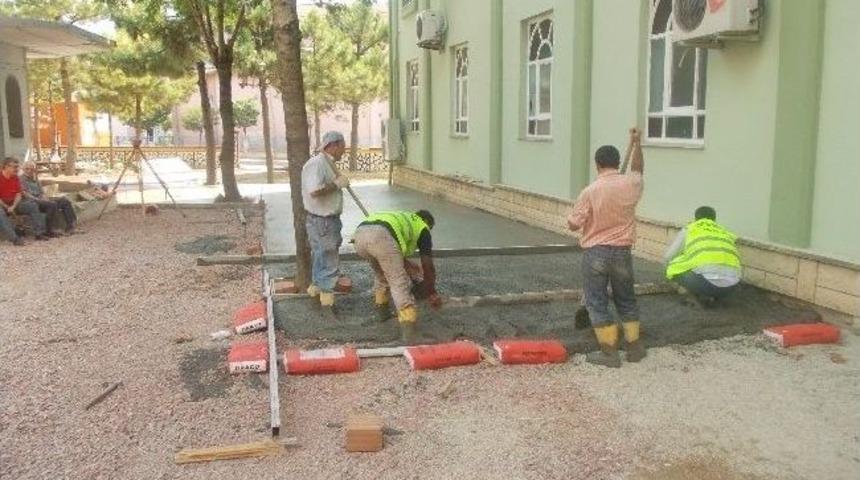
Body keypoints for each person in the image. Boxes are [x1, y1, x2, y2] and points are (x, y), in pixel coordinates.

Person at [568, 128, 645, 368]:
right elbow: (638, 169)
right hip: (622, 253)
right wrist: (637, 143)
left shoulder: (590, 191)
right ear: (616, 162)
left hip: (596, 254)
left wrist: (570, 216)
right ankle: (634, 348)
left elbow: (574, 224)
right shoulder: (631, 184)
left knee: (597, 302)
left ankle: (609, 353)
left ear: (597, 164)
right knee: (627, 300)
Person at [353, 210, 442, 343]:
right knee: (398, 282)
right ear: (427, 223)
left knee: (382, 276)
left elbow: (391, 250)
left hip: (359, 236)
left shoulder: (405, 218)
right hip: (381, 237)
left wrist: (407, 264)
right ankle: (410, 332)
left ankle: (382, 314)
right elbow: (427, 265)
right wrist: (431, 291)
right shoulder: (422, 227)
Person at [301, 131, 350, 309]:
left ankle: (315, 291)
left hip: (324, 220)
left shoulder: (326, 163)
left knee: (321, 255)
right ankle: (327, 302)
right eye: (343, 147)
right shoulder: (318, 163)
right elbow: (314, 191)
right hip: (323, 220)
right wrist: (337, 184)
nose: (343, 151)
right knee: (328, 255)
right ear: (334, 145)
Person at [664, 206, 741, 306]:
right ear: (714, 219)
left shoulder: (690, 229)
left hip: (706, 285)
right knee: (702, 265)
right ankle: (712, 296)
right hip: (731, 287)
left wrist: (666, 274)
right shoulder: (725, 233)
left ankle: (693, 295)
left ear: (696, 219)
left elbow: (668, 256)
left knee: (673, 266)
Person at [21, 161, 78, 235]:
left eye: (32, 169)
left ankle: (71, 227)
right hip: (32, 201)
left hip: (41, 199)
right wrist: (39, 200)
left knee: (65, 201)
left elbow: (42, 192)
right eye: (27, 169)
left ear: (35, 170)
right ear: (23, 169)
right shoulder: (21, 179)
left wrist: (44, 198)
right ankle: (50, 230)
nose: (29, 171)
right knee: (51, 204)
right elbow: (25, 194)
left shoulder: (35, 179)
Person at [0, 157, 47, 245]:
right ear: (6, 167)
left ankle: (39, 233)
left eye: (17, 167)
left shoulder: (16, 178)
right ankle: (15, 239)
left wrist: (13, 206)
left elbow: (18, 194)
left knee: (32, 206)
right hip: (2, 204)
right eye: (14, 167)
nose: (17, 169)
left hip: (14, 203)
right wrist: (7, 207)